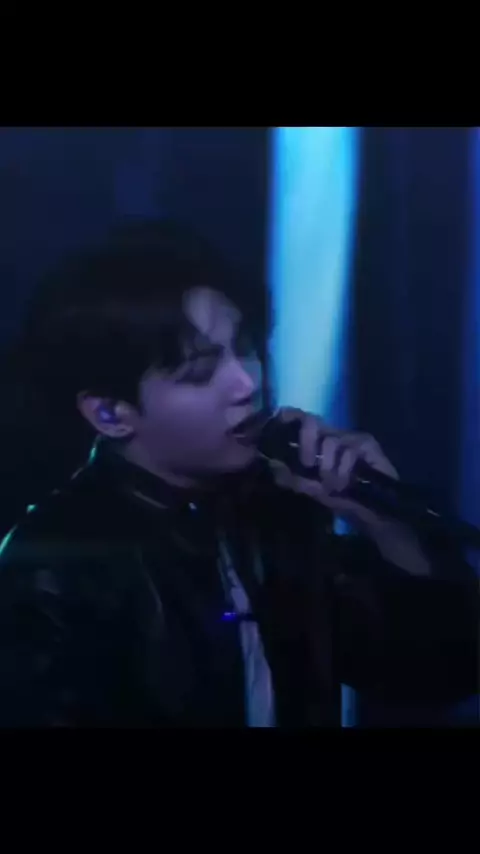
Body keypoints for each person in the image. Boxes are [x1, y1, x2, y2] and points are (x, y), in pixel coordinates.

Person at [0, 220, 476, 727]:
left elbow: (437, 672)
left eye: (245, 348)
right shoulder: (52, 562)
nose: (248, 382)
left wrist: (384, 520)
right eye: (200, 372)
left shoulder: (275, 505)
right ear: (110, 413)